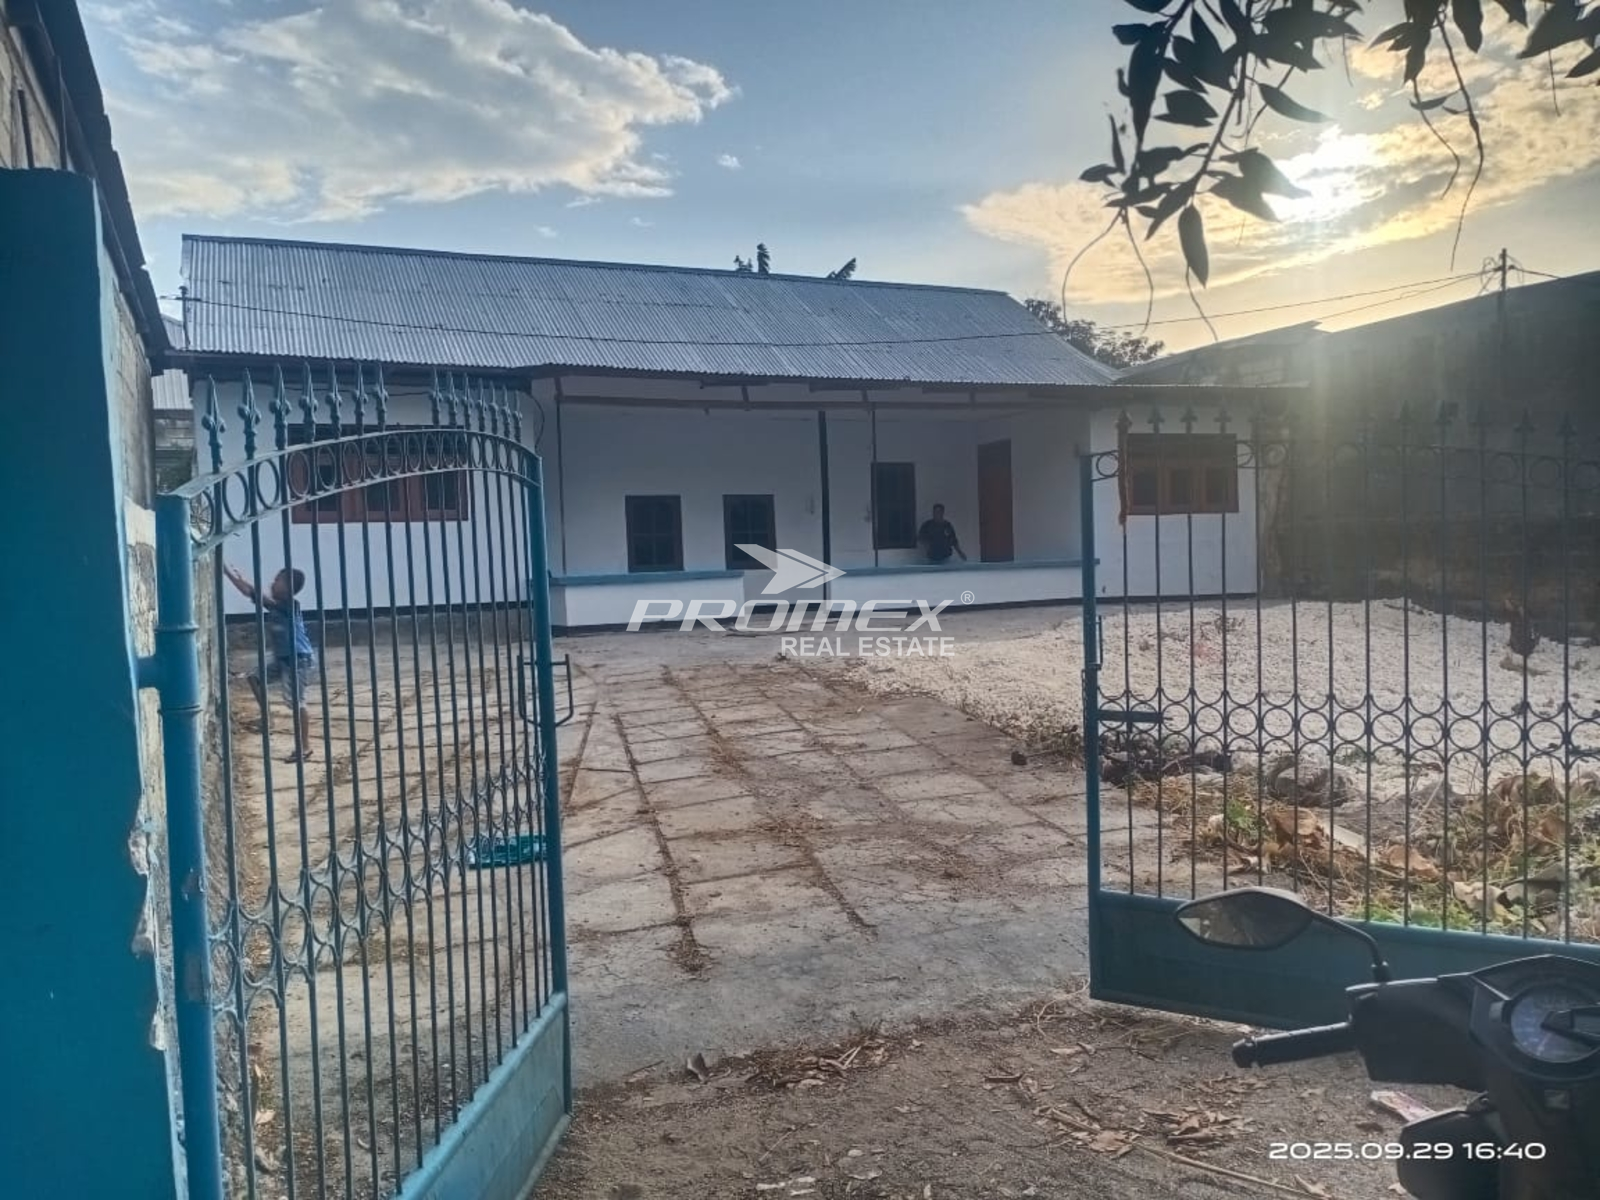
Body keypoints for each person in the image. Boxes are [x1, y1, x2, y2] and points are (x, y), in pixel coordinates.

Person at [223, 563, 318, 763]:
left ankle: (305, 746)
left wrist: (244, 583)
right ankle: (267, 719)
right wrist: (228, 573)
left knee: (296, 702)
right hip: (284, 659)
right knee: (255, 677)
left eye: (278, 581)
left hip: (298, 659)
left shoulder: (290, 605)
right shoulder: (276, 606)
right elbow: (249, 592)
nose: (272, 584)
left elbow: (255, 594)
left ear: (289, 588)